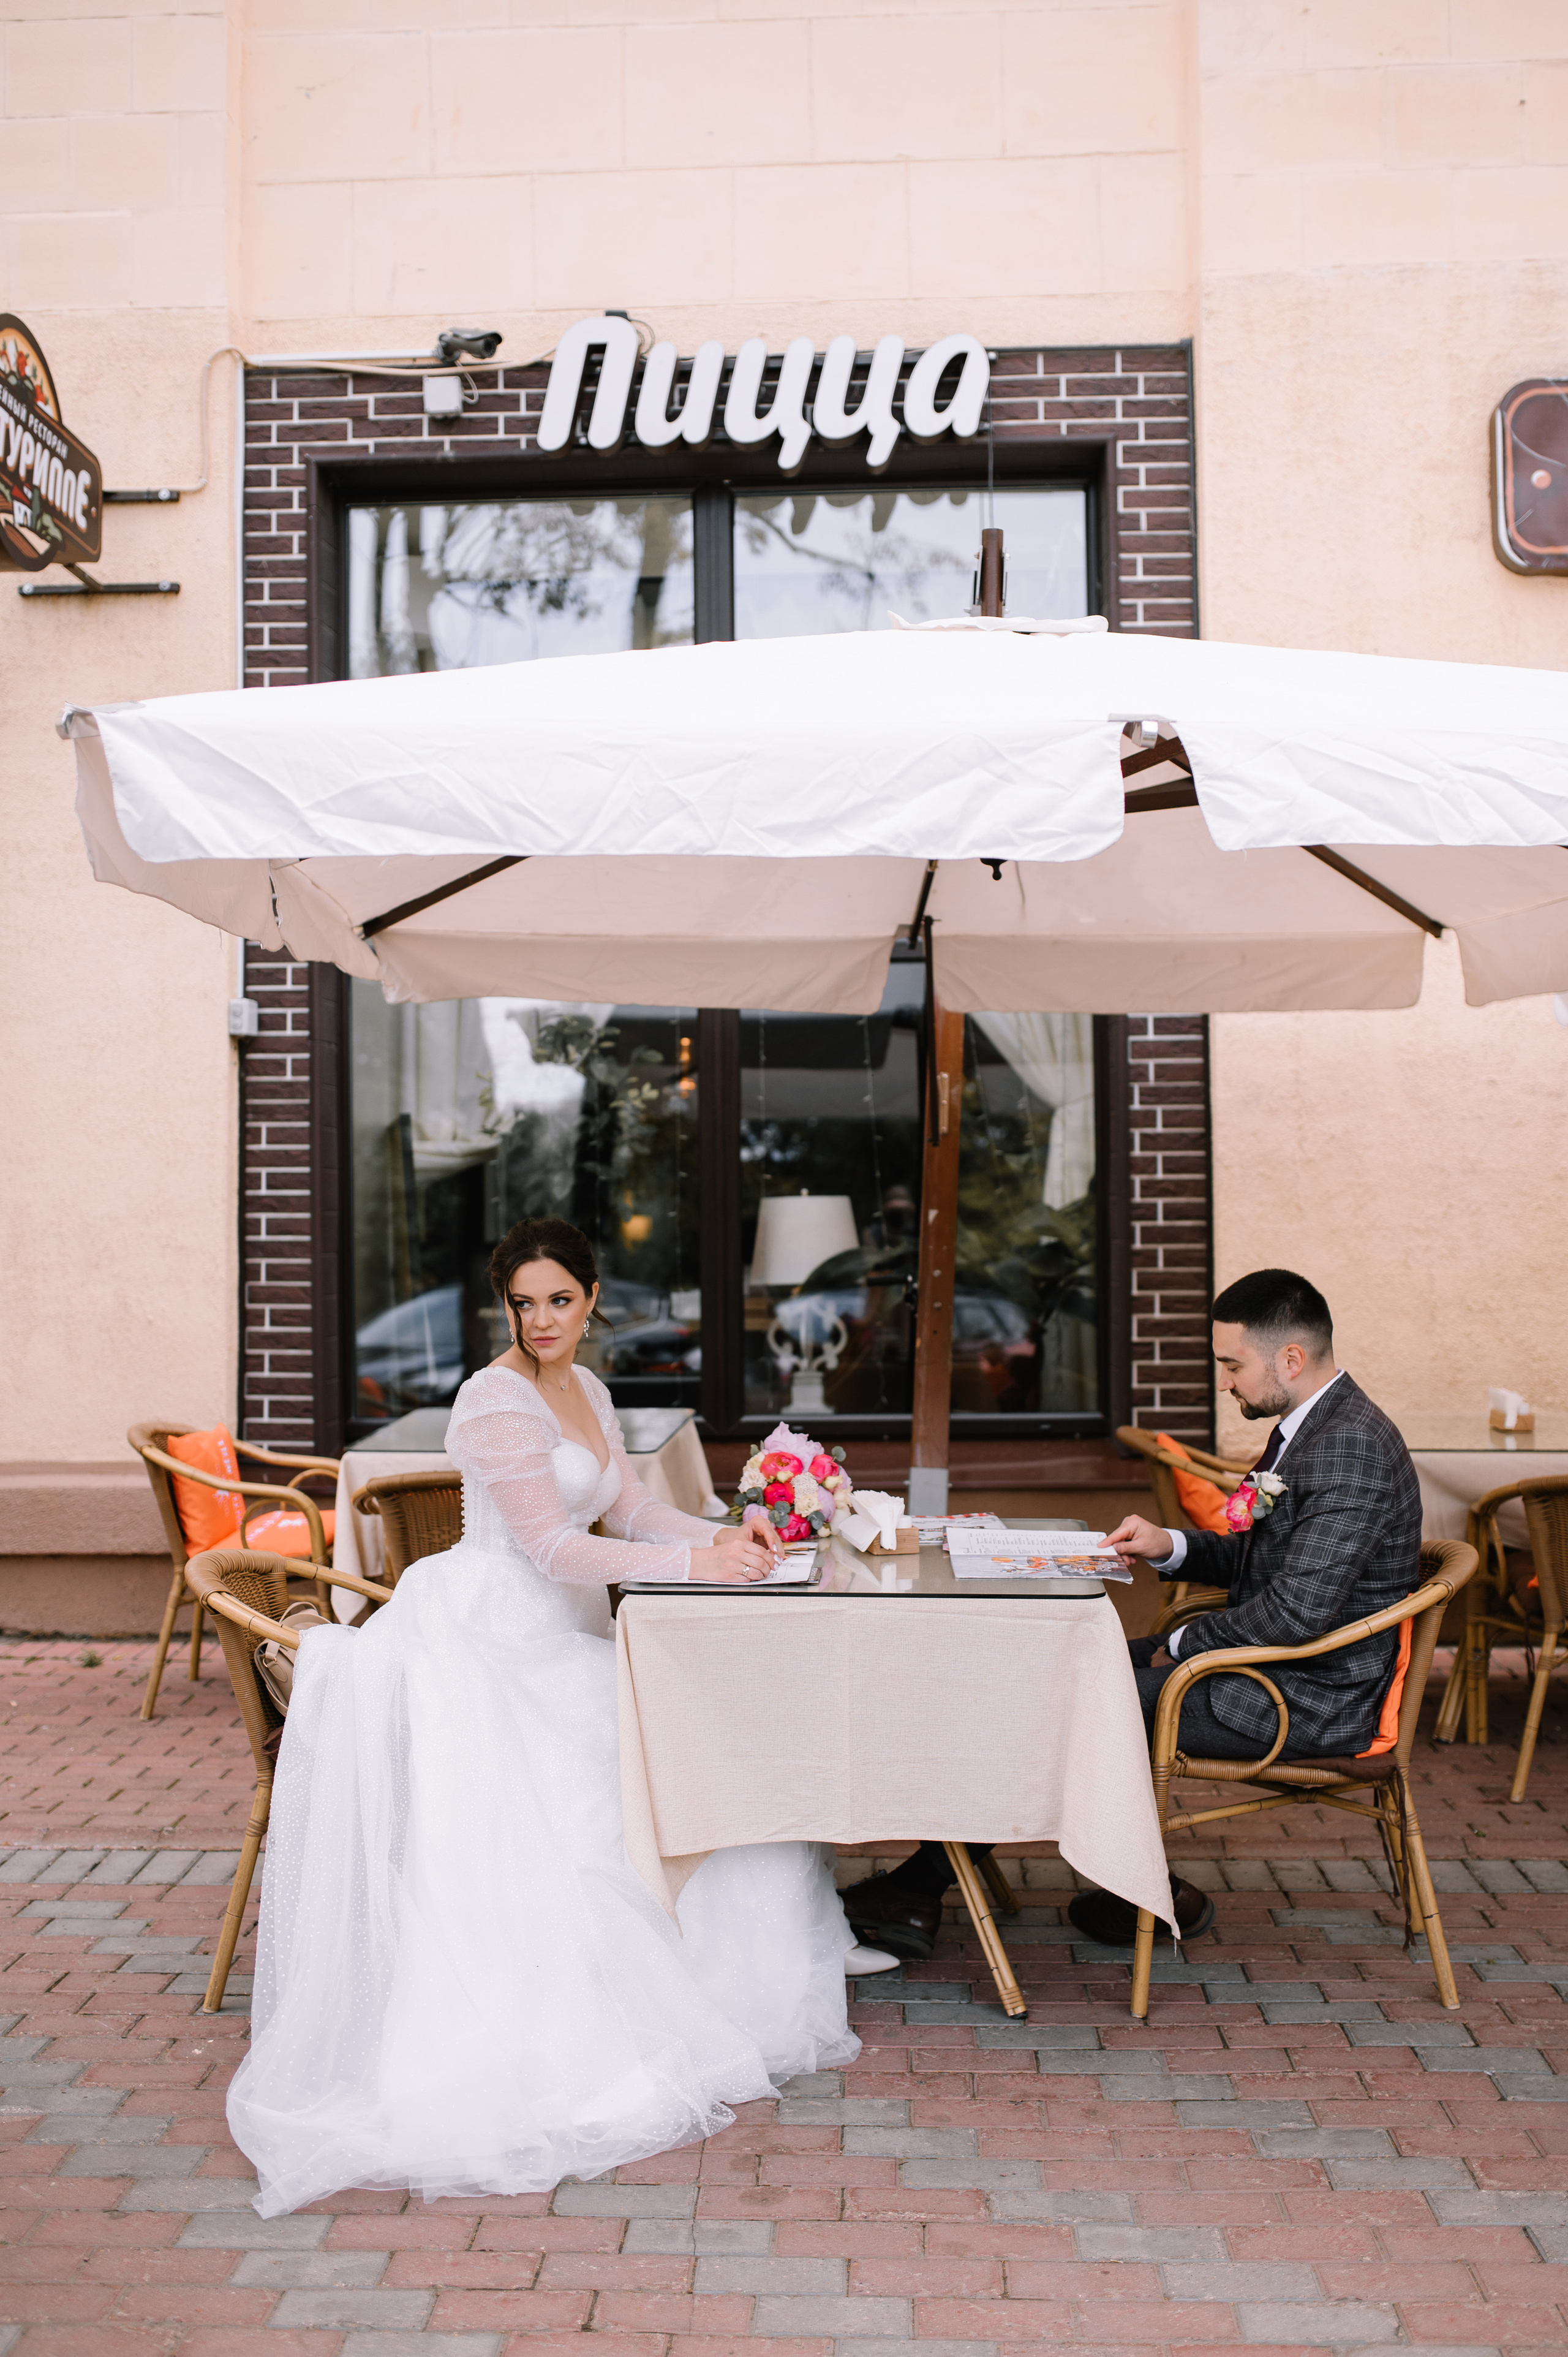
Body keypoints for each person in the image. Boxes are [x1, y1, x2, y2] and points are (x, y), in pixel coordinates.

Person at [228, 1216, 889, 2219]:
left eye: (560, 1300)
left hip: (567, 1632)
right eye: (523, 1302)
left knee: (692, 1731)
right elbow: (549, 1547)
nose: (542, 1320)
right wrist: (697, 1565)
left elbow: (630, 1513)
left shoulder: (587, 1387)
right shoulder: (493, 1399)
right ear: (505, 1305)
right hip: (495, 1636)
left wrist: (732, 1536)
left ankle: (753, 1971)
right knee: (645, 1753)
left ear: (591, 1299)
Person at [845, 1267, 1421, 1959]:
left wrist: (1180, 1644)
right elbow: (1260, 1563)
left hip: (1307, 1694)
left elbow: (1295, 1613)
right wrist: (1167, 1544)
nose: (1225, 1383)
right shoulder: (1314, 1429)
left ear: (1290, 1359)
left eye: (1232, 1365)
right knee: (1044, 1675)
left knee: (1067, 1703)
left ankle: (928, 1891)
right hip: (1268, 1666)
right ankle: (1113, 1889)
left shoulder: (1350, 1445)